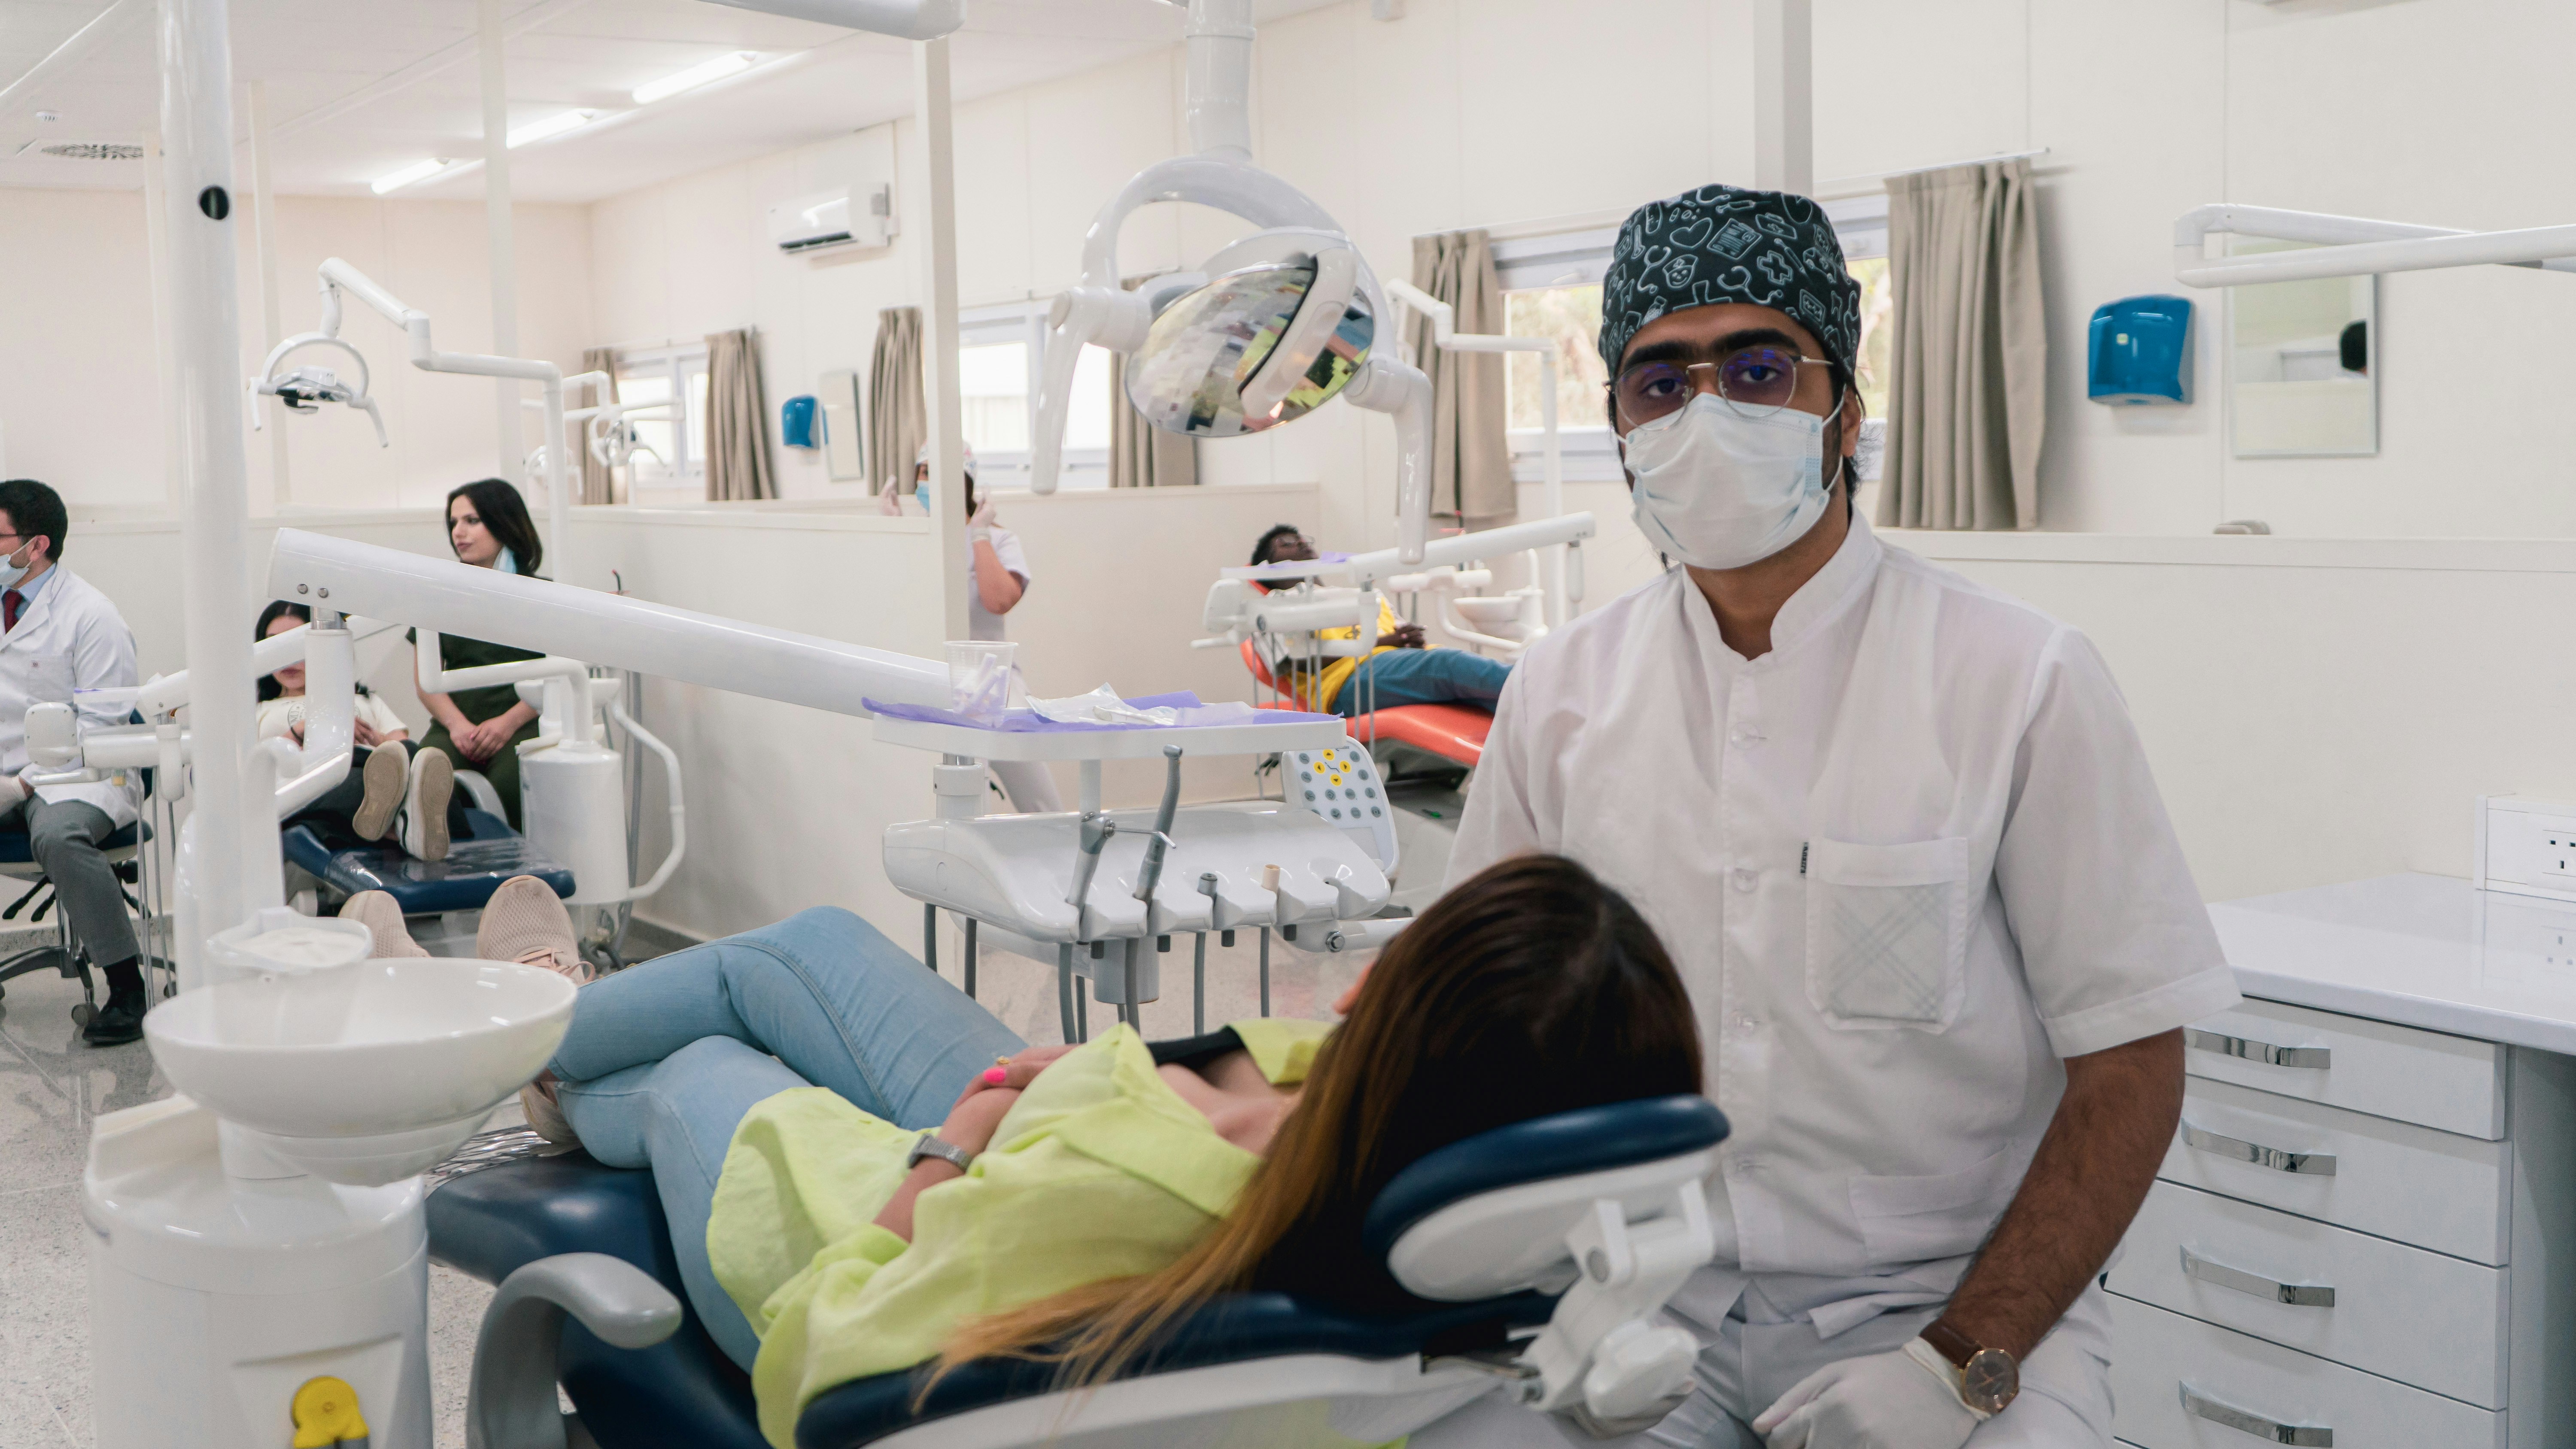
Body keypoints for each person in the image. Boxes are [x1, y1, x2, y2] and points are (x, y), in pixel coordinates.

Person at [1438, 185, 2242, 1449]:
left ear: (1844, 410)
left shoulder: (2015, 681)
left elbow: (2131, 1062)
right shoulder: (1562, 693)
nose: (1705, 412)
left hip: (1950, 1309)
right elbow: (1457, 1013)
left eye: (1757, 368)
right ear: (1619, 430)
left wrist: (1953, 1364)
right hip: (1642, 1300)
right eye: (1659, 381)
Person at [409, 855, 1693, 1448]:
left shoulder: (1121, 1208)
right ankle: (537, 1038)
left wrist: (950, 1148)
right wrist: (1085, 1076)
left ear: (1385, 1006)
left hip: (925, 1199)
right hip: (1070, 1110)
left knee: (691, 1067)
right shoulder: (1407, 1126)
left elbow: (821, 1351)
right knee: (793, 948)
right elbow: (1254, 1066)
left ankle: (473, 1036)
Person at [0, 479, 151, 1046]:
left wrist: (18, 786)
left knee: (60, 839)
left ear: (35, 545)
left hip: (80, 779)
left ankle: (127, 988)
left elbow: (104, 730)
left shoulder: (92, 616)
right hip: (10, 775)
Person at [881, 443, 1060, 812]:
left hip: (992, 681)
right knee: (954, 798)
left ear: (964, 481)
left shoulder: (997, 538)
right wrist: (891, 536)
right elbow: (892, 606)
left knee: (1039, 797)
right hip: (928, 676)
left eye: (938, 472)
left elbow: (1000, 601)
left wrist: (978, 534)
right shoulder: (916, 539)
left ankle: (1063, 851)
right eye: (924, 472)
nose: (928, 481)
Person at [257, 600, 467, 861]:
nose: (288, 660)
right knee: (346, 780)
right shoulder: (258, 711)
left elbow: (402, 749)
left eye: (296, 644)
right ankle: (405, 826)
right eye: (276, 645)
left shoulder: (363, 700)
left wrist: (369, 737)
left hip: (375, 767)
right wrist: (305, 729)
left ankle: (401, 822)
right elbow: (254, 768)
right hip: (311, 778)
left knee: (414, 754)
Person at [1246, 524, 1512, 716]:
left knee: (1494, 702)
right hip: (1345, 685)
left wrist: (1410, 638)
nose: (1303, 543)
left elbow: (1402, 637)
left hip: (1394, 669)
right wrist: (1381, 642)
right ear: (1267, 567)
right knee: (1448, 664)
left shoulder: (1364, 594)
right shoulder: (1271, 610)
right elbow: (1295, 663)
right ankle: (1536, 680)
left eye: (1303, 539)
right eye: (1287, 543)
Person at [412, 479, 547, 828]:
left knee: (510, 789)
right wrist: (458, 728)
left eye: (472, 521)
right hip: (458, 721)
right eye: (454, 523)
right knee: (426, 778)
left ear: (503, 523)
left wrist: (508, 725)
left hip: (523, 719)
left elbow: (557, 675)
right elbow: (426, 681)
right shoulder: (438, 595)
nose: (459, 532)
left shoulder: (543, 596)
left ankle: (518, 879)